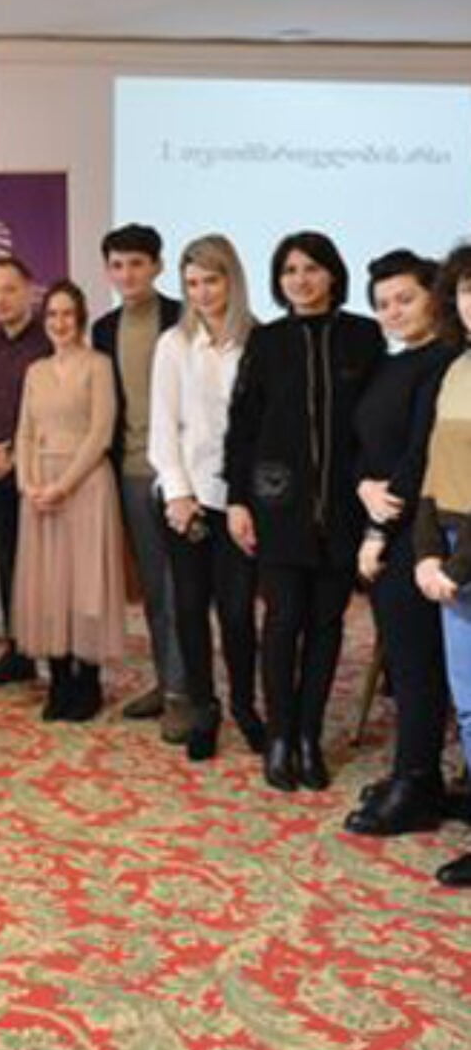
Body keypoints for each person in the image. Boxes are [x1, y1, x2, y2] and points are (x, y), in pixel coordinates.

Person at [225, 231, 385, 792]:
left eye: (311, 268)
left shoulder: (364, 337)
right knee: (283, 621)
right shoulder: (267, 341)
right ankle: (279, 737)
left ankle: (309, 737)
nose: (301, 279)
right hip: (278, 507)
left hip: (342, 508)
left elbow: (375, 426)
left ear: (333, 275)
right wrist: (237, 499)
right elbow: (242, 425)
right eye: (289, 270)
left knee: (325, 625)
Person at [347, 251, 454, 834]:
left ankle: (416, 784)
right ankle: (416, 775)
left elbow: (418, 457)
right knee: (407, 662)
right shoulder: (390, 364)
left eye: (405, 299)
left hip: (419, 532)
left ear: (434, 296)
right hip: (385, 521)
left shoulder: (446, 362)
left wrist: (376, 534)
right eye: (383, 304)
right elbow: (362, 445)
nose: (393, 311)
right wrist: (362, 485)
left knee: (417, 668)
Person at [148, 235, 263, 761]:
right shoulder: (173, 343)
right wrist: (177, 493)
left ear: (231, 280)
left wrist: (246, 498)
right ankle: (205, 709)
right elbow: (163, 425)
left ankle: (245, 706)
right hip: (185, 500)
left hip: (238, 502)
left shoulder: (260, 340)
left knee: (237, 613)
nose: (201, 292)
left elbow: (261, 429)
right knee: (190, 610)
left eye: (211, 280)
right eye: (191, 283)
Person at [11, 281, 125, 721]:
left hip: (86, 484)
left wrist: (64, 485)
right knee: (48, 584)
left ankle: (87, 681)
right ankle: (58, 679)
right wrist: (28, 484)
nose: (59, 322)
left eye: (67, 314)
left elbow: (101, 432)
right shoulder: (35, 371)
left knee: (85, 580)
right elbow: (24, 431)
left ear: (80, 318)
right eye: (52, 314)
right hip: (40, 488)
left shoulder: (99, 365)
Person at [90, 224, 188, 738]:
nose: (127, 274)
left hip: (181, 476)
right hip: (130, 472)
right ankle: (167, 681)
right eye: (117, 265)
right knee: (153, 587)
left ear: (157, 266)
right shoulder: (103, 329)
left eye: (137, 264)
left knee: (180, 587)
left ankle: (183, 694)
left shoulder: (183, 317)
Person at [412, 242, 471, 886]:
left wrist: (456, 567)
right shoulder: (456, 370)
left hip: (466, 559)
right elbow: (434, 471)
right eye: (466, 289)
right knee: (469, 703)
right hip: (451, 548)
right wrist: (428, 549)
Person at [0, 256, 50, 687]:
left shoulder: (50, 342)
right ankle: (17, 652)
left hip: (41, 477)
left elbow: (57, 411)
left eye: (9, 289)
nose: (0, 299)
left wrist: (20, 454)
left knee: (48, 570)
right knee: (9, 566)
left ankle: (58, 652)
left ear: (30, 290)